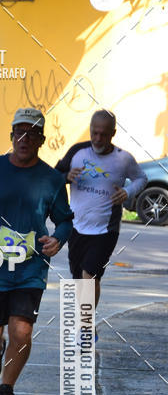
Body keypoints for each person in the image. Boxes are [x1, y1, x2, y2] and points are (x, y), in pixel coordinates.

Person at [0, 107, 73, 395]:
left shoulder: (52, 179)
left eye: (32, 133)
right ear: (12, 136)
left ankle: (6, 389)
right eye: (19, 132)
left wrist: (58, 239)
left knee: (22, 331)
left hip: (30, 267)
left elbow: (65, 220)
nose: (25, 138)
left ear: (41, 140)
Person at [55, 109, 147, 315]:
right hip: (76, 226)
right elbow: (54, 175)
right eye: (94, 133)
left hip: (105, 230)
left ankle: (85, 326)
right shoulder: (77, 152)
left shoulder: (123, 159)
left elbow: (141, 178)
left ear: (113, 133)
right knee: (80, 279)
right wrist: (66, 176)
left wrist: (128, 191)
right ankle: (86, 322)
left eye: (103, 134)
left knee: (89, 275)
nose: (97, 138)